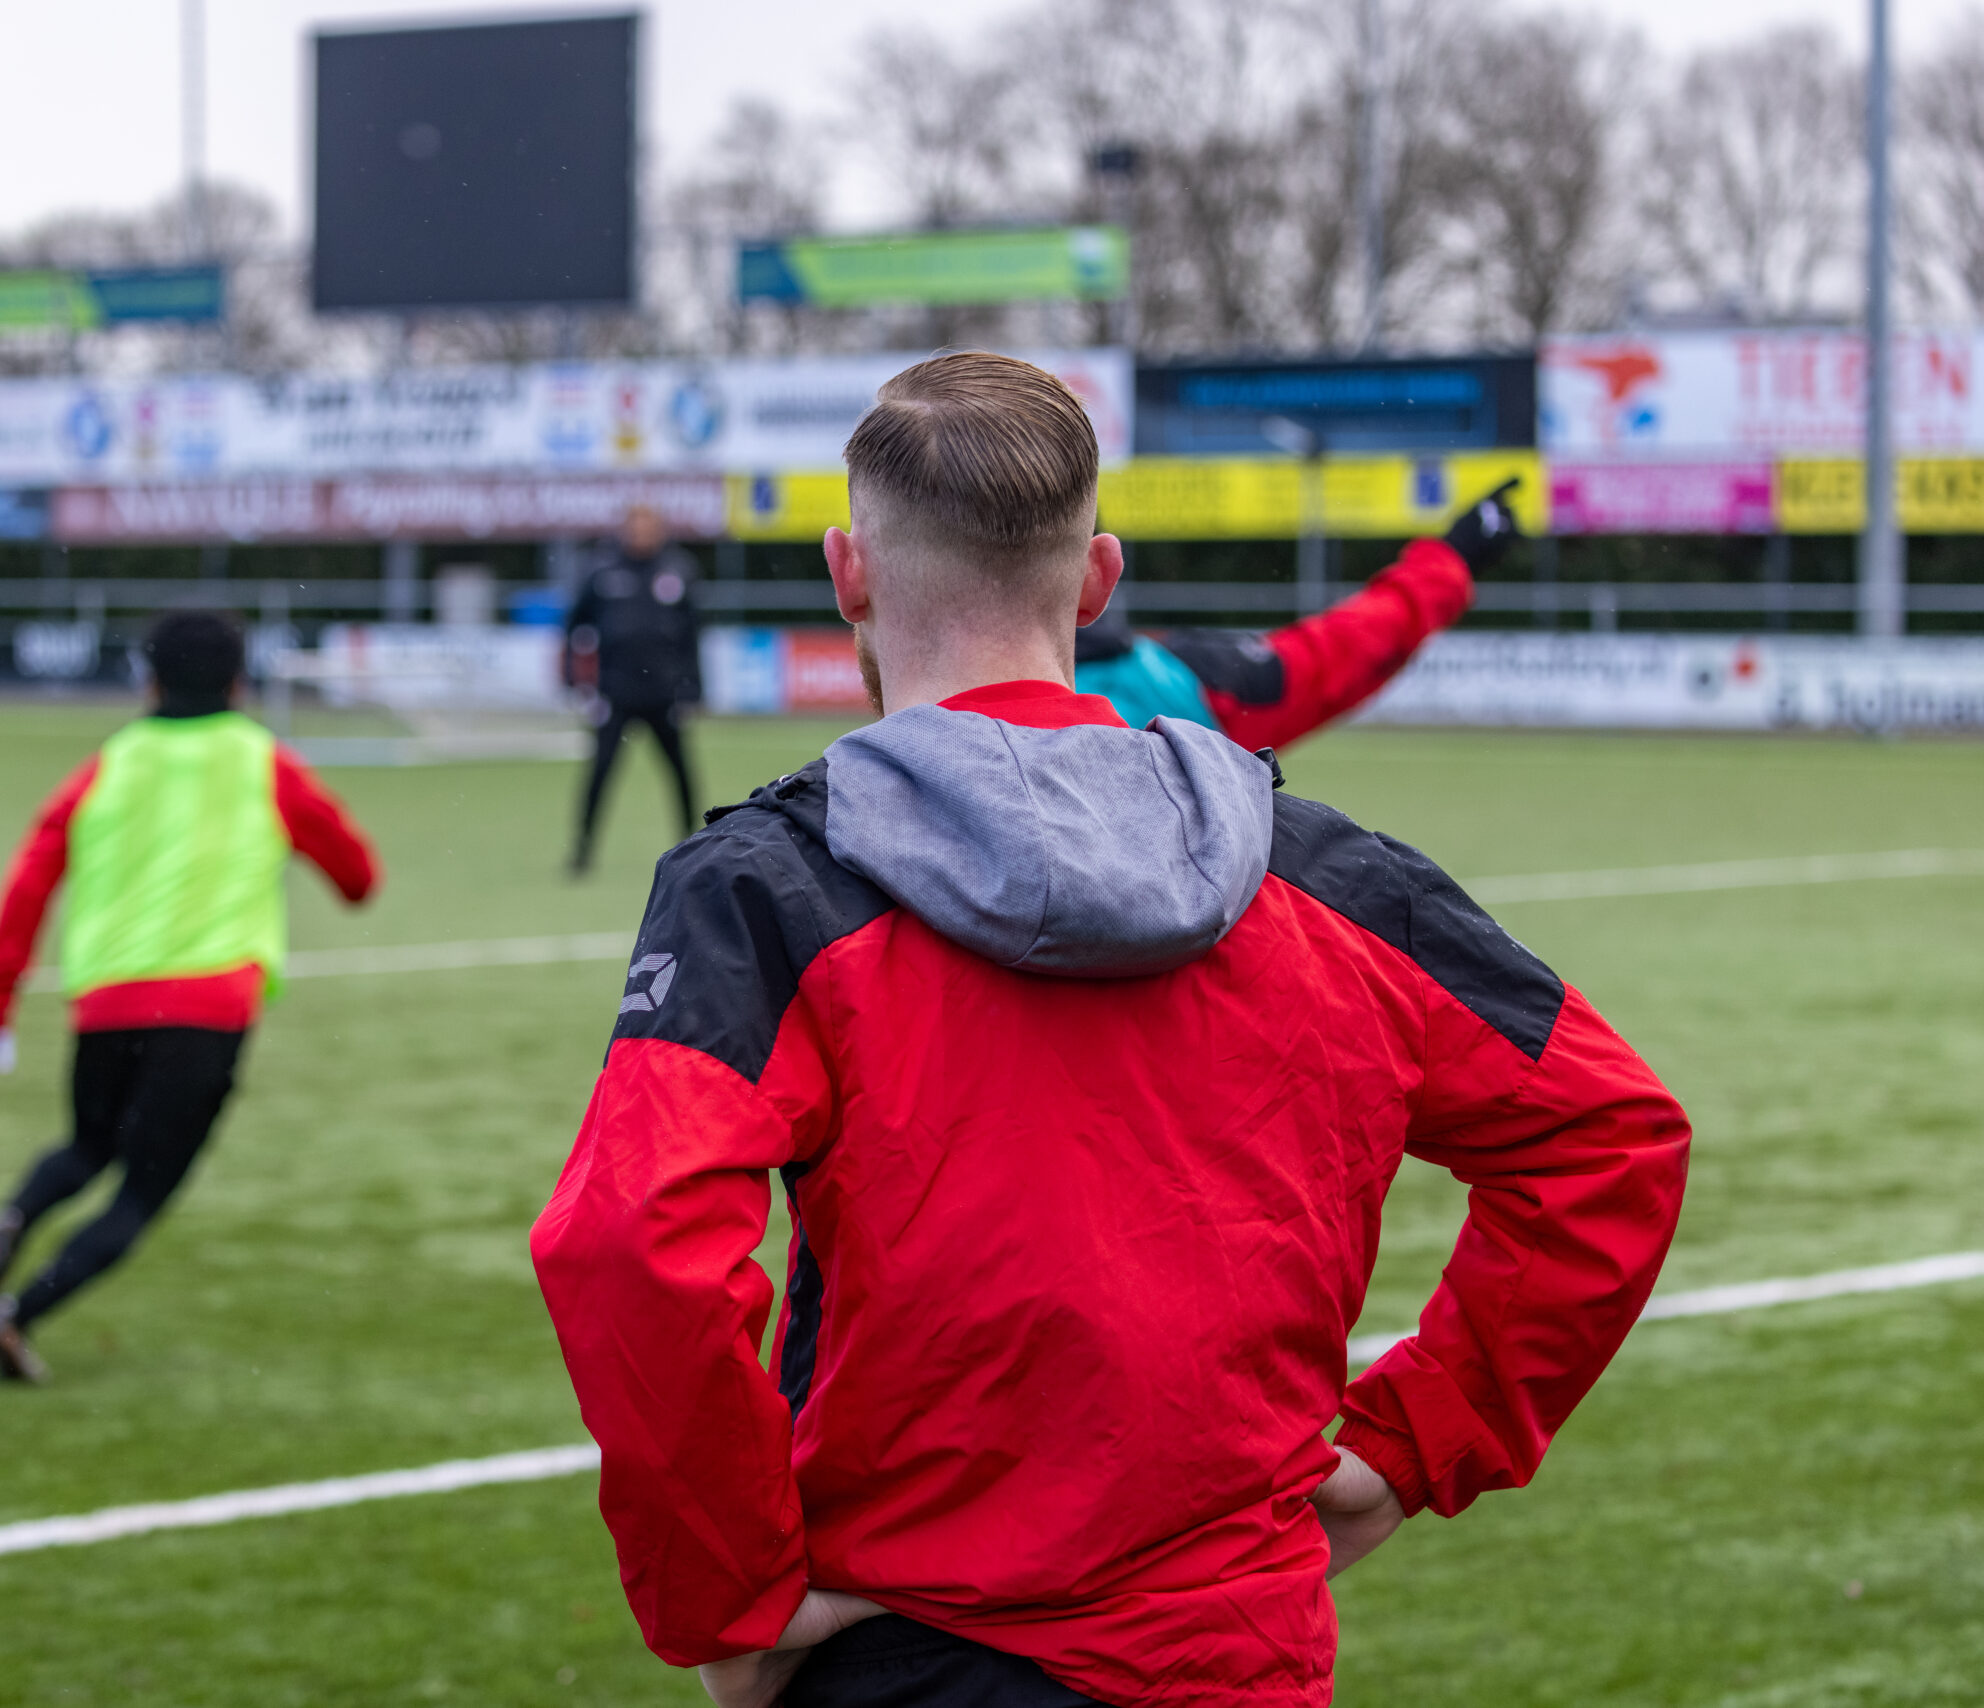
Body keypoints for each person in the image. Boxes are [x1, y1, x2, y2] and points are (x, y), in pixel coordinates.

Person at [530, 354, 1689, 1708]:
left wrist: (726, 1596)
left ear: (847, 573)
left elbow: (626, 1238)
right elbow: (1612, 1137)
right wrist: (1419, 1439)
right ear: (1098, 580)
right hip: (1238, 1658)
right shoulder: (1328, 877)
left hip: (914, 1653)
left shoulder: (767, 888)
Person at [0, 610, 380, 1383]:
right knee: (140, 1194)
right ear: (240, 684)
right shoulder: (262, 762)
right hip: (208, 1011)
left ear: (147, 680)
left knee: (86, 1147)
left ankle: (6, 1229)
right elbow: (357, 878)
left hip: (108, 1001)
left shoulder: (108, 763)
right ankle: (17, 1317)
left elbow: (30, 880)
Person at [1075, 479, 1520, 748]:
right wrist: (1452, 559)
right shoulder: (1170, 685)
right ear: (1103, 568)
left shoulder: (1159, 673)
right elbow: (1343, 649)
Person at [564, 503, 703, 875]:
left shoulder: (677, 570)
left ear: (659, 530)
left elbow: (692, 634)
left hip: (664, 694)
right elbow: (574, 626)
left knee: (681, 774)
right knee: (600, 774)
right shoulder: (601, 570)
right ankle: (582, 850)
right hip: (616, 694)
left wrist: (694, 688)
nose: (642, 533)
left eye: (649, 526)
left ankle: (693, 848)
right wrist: (572, 678)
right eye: (636, 526)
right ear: (624, 529)